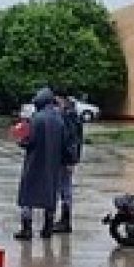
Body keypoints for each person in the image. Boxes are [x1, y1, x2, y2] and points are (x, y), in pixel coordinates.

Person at [14, 87, 66, 241]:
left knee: (27, 196)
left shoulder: (36, 119)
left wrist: (20, 139)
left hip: (34, 163)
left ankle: (26, 229)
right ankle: (47, 228)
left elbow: (28, 141)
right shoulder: (59, 120)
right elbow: (64, 144)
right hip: (52, 165)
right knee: (50, 197)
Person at [53, 90, 84, 234]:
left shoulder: (68, 115)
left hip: (66, 159)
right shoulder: (70, 113)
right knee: (64, 188)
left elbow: (72, 139)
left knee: (65, 189)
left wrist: (71, 160)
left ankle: (65, 221)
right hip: (67, 158)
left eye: (57, 100)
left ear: (63, 99)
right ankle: (64, 220)